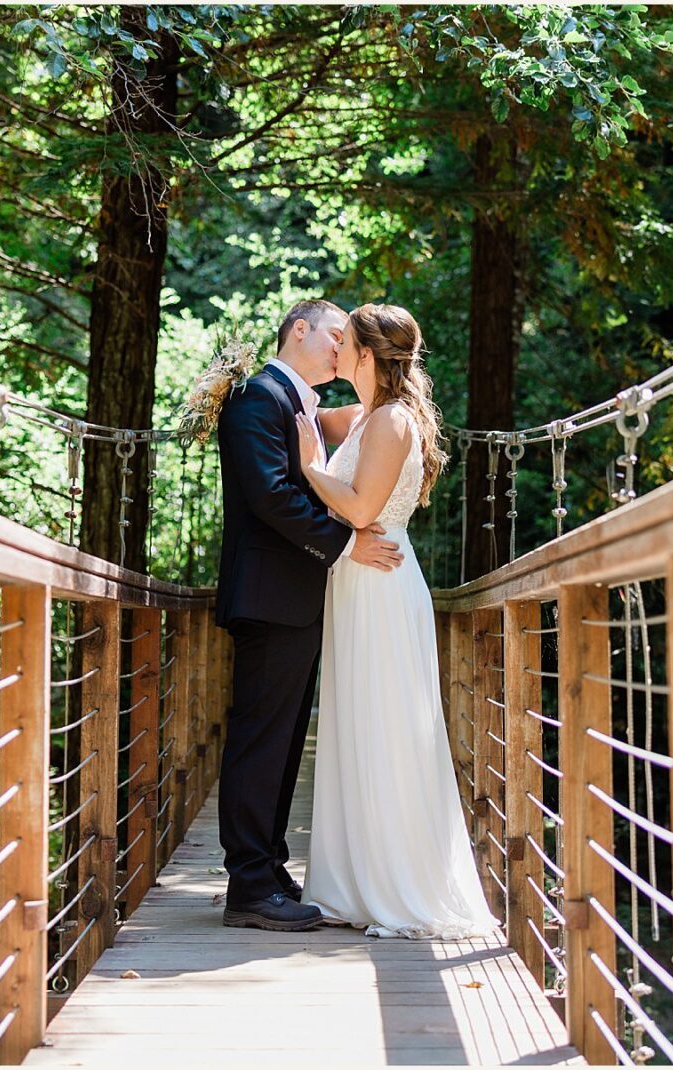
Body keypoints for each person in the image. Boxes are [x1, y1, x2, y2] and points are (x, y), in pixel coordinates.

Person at [295, 302, 500, 940]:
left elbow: (359, 509)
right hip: (358, 582)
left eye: (344, 342)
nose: (334, 352)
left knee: (383, 725)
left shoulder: (388, 421)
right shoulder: (366, 416)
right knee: (360, 724)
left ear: (366, 355)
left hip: (378, 581)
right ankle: (355, 881)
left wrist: (308, 467)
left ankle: (395, 885)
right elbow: (301, 407)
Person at [213, 298, 404, 932]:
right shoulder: (256, 397)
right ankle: (248, 884)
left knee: (285, 739)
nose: (340, 345)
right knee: (262, 739)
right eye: (333, 334)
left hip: (298, 596)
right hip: (269, 595)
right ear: (300, 330)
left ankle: (269, 871)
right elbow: (270, 493)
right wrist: (348, 543)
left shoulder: (306, 408)